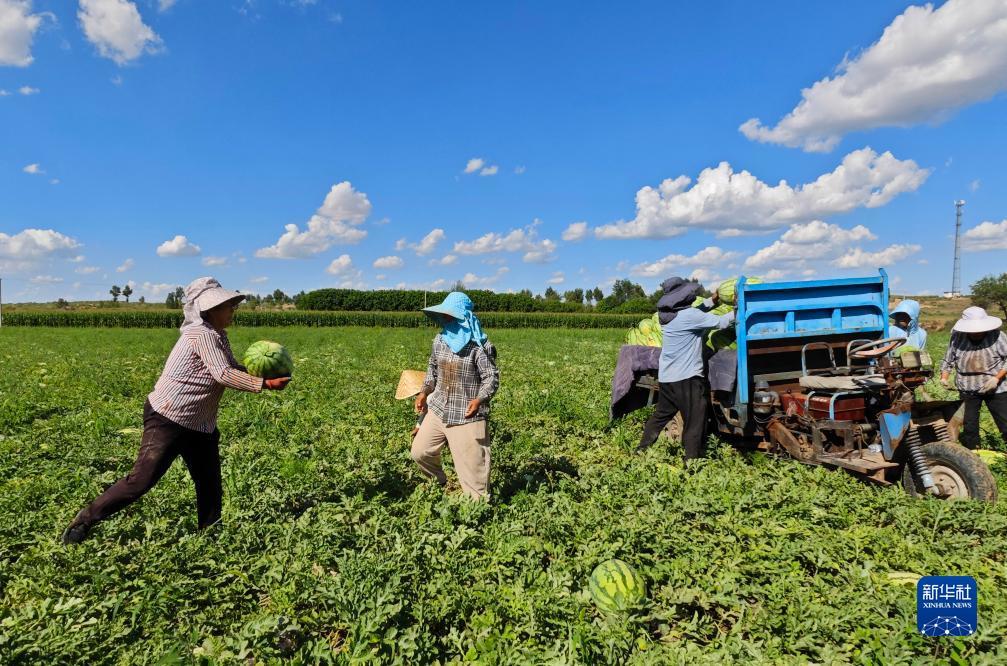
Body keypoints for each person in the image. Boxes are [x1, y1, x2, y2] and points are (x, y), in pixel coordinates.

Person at [61, 277, 291, 544]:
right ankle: (85, 520)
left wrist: (260, 371)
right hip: (168, 418)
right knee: (141, 480)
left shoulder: (217, 336)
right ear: (209, 310)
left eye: (232, 305)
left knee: (209, 482)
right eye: (227, 306)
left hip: (199, 423)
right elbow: (222, 373)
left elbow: (229, 367)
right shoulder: (200, 334)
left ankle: (210, 534)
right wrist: (264, 384)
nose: (232, 311)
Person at [412, 292, 499, 500]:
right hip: (439, 407)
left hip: (467, 413)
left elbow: (491, 378)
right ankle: (440, 483)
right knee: (420, 452)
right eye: (444, 315)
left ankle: (478, 513)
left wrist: (479, 399)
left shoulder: (479, 346)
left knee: (474, 473)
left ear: (463, 316)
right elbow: (432, 370)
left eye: (450, 315)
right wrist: (424, 392)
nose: (446, 319)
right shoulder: (440, 340)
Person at [637, 290, 735, 459]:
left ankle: (641, 450)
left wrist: (713, 300)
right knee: (695, 421)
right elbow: (722, 322)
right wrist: (739, 307)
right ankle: (692, 462)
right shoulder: (689, 316)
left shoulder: (669, 316)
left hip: (668, 377)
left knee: (661, 416)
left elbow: (698, 310)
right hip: (687, 378)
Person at [940, 306, 1007, 450]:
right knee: (970, 425)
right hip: (968, 388)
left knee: (1004, 420)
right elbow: (948, 359)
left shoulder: (998, 336)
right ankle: (974, 452)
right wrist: (944, 377)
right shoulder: (957, 337)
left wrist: (996, 378)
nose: (976, 333)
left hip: (996, 387)